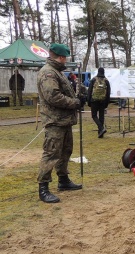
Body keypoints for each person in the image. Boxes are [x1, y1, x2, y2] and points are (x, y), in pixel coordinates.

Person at [36, 43, 85, 203]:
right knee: (51, 154)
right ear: (61, 57)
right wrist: (75, 102)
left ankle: (63, 181)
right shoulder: (48, 73)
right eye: (66, 58)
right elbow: (54, 97)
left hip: (63, 120)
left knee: (66, 151)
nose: (66, 61)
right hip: (55, 121)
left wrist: (78, 99)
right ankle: (43, 188)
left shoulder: (57, 72)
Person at [87, 67, 111, 138]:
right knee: (101, 116)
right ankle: (101, 133)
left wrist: (88, 101)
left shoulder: (93, 80)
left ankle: (101, 128)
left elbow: (89, 91)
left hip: (94, 100)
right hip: (102, 101)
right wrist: (107, 103)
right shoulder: (106, 81)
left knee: (94, 115)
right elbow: (108, 93)